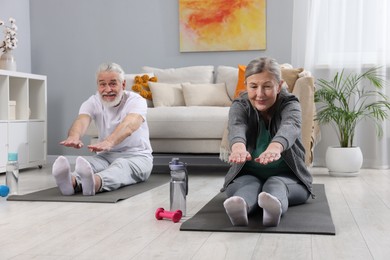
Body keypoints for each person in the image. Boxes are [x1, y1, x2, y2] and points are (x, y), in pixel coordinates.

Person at [221, 57, 313, 227]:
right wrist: (238, 147)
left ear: (279, 86)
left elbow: (290, 125)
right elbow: (237, 125)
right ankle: (241, 205)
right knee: (250, 184)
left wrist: (275, 147)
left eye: (267, 86)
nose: (260, 94)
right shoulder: (240, 104)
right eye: (253, 86)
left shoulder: (290, 103)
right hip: (246, 176)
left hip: (289, 179)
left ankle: (273, 207)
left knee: (275, 184)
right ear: (246, 85)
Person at [52, 62, 153, 196]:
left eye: (112, 83)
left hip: (137, 157)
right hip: (106, 156)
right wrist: (74, 137)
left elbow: (129, 124)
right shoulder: (93, 101)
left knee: (121, 166)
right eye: (102, 84)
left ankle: (95, 182)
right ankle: (71, 182)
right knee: (89, 164)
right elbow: (82, 120)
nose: (107, 89)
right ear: (98, 86)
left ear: (123, 85)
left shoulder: (136, 100)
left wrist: (109, 142)